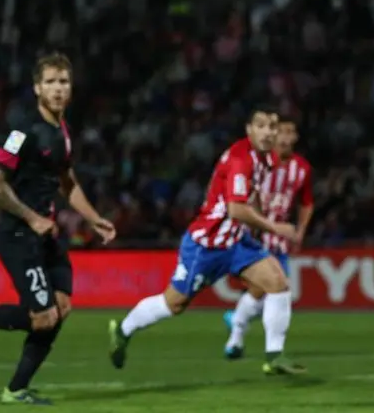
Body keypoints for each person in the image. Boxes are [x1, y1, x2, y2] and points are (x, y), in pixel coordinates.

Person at [0, 53, 116, 405]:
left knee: (61, 307)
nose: (58, 89)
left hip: (46, 237)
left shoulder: (62, 132)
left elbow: (67, 181)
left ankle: (16, 389)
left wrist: (93, 217)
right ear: (37, 88)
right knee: (44, 316)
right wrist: (32, 217)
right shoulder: (24, 132)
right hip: (19, 235)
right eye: (50, 82)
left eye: (63, 82)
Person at [108, 110, 307, 375]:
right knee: (173, 304)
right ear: (249, 130)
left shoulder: (264, 158)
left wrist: (256, 227)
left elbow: (252, 193)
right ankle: (123, 330)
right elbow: (236, 209)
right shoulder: (240, 159)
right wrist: (274, 227)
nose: (269, 132)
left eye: (273, 126)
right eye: (261, 126)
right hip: (207, 245)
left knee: (278, 283)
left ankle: (274, 356)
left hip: (236, 242)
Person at [223, 119, 313, 365]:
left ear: (295, 137)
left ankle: (238, 326)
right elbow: (244, 194)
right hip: (254, 233)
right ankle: (239, 336)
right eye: (280, 131)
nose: (284, 137)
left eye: (290, 131)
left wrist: (301, 231)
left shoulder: (302, 168)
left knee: (268, 290)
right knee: (267, 288)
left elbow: (306, 202)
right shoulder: (258, 162)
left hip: (280, 238)